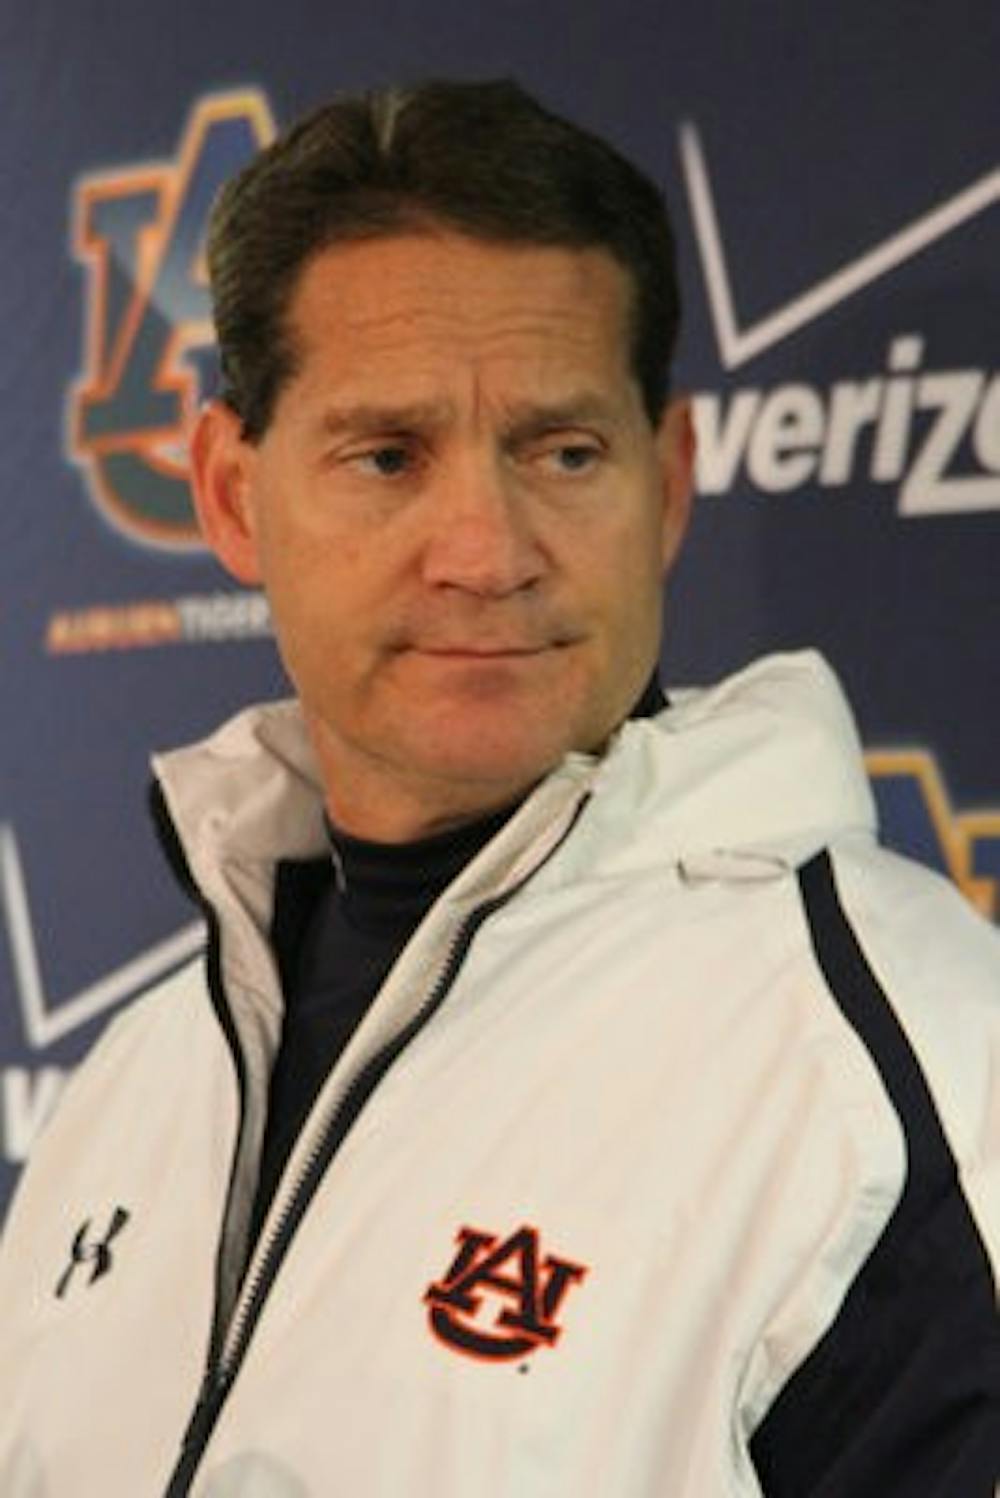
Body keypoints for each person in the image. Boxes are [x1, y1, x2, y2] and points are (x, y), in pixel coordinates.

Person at [0, 78, 997, 1498]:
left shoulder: (911, 1065)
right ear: (230, 495)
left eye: (562, 450)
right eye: (389, 455)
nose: (485, 548)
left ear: (667, 487)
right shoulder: (139, 1077)